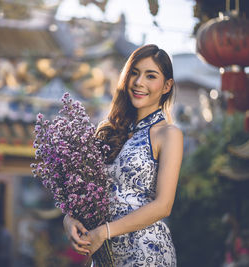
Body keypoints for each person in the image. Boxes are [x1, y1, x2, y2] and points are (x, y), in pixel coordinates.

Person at [63, 44, 183, 266]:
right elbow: (87, 193)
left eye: (151, 76)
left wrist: (105, 232)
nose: (139, 82)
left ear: (167, 86)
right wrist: (69, 219)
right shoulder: (109, 131)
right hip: (104, 255)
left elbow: (163, 205)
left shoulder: (169, 134)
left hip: (147, 253)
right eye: (134, 73)